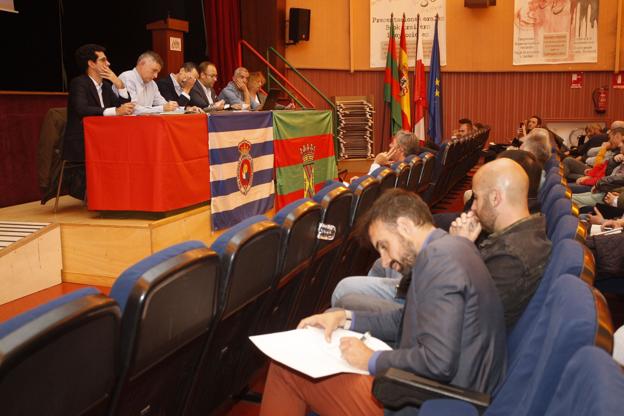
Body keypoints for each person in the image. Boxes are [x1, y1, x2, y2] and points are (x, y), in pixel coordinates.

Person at [259, 190, 506, 416]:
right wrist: (345, 318)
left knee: (286, 370)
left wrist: (371, 359)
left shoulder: (438, 261)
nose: (385, 262)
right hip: (441, 391)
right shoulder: (448, 248)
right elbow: (404, 319)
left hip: (425, 400)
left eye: (384, 246)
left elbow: (438, 362)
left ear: (405, 226)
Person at [450, 158, 552, 327]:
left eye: (476, 197)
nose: (473, 207)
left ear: (495, 198)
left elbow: (459, 313)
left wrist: (458, 249)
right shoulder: (529, 234)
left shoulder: (511, 257)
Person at [62, 44, 134, 199]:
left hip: (104, 139)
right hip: (82, 140)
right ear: (91, 63)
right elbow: (81, 109)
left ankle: (123, 193)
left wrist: (119, 85)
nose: (108, 64)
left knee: (132, 145)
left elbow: (124, 107)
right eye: (103, 60)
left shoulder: (107, 87)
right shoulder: (79, 83)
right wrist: (115, 111)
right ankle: (107, 195)